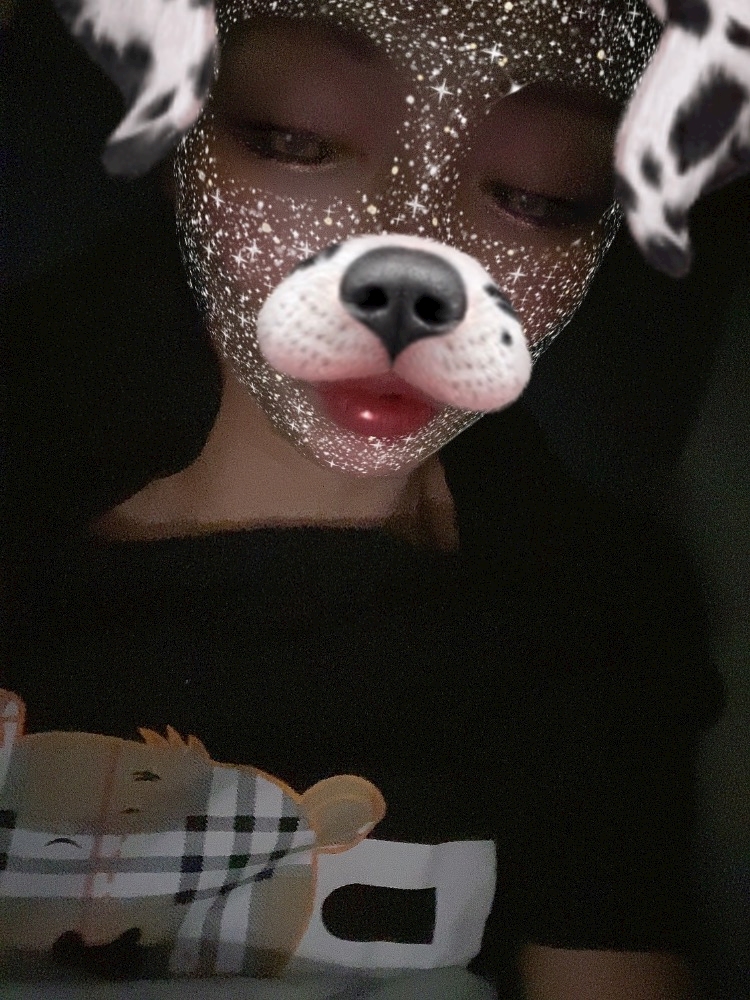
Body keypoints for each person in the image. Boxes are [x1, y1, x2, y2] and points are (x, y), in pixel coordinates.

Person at [1, 1, 726, 997]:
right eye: (296, 139)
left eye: (541, 192)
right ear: (176, 136)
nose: (411, 262)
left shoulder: (595, 620)